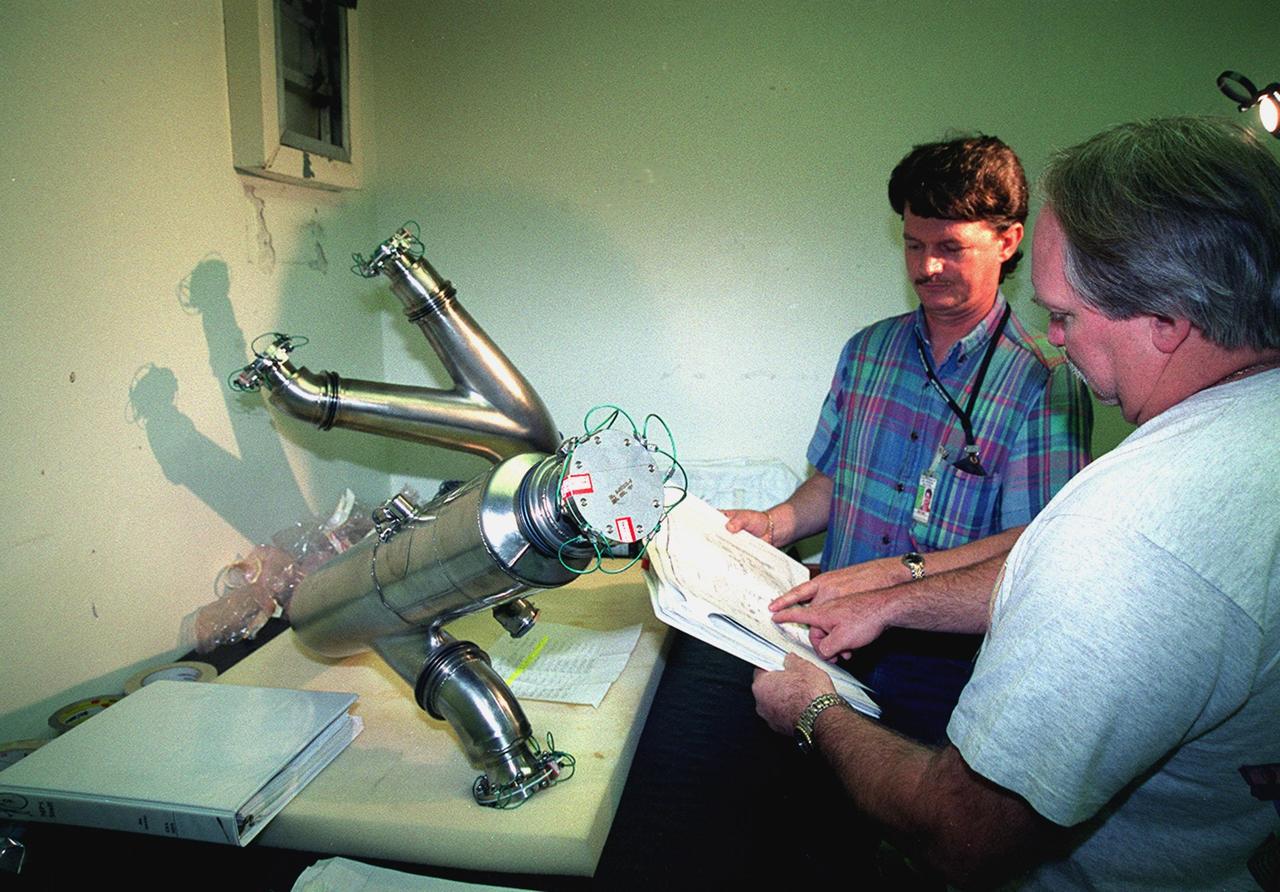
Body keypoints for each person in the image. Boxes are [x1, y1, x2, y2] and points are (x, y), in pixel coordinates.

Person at [752, 116, 1280, 890]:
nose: (1056, 339)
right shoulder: (1249, 429)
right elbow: (1067, 580)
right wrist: (888, 592)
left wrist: (812, 709)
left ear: (1167, 321)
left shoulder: (1124, 512)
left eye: (1064, 315)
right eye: (913, 243)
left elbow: (960, 832)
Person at [726, 136, 1092, 744]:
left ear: (1008, 241)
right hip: (824, 636)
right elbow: (834, 480)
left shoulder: (1044, 383)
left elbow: (1033, 548)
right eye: (914, 245)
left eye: (951, 248)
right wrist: (774, 525)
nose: (926, 267)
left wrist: (897, 587)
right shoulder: (867, 352)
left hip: (941, 663)